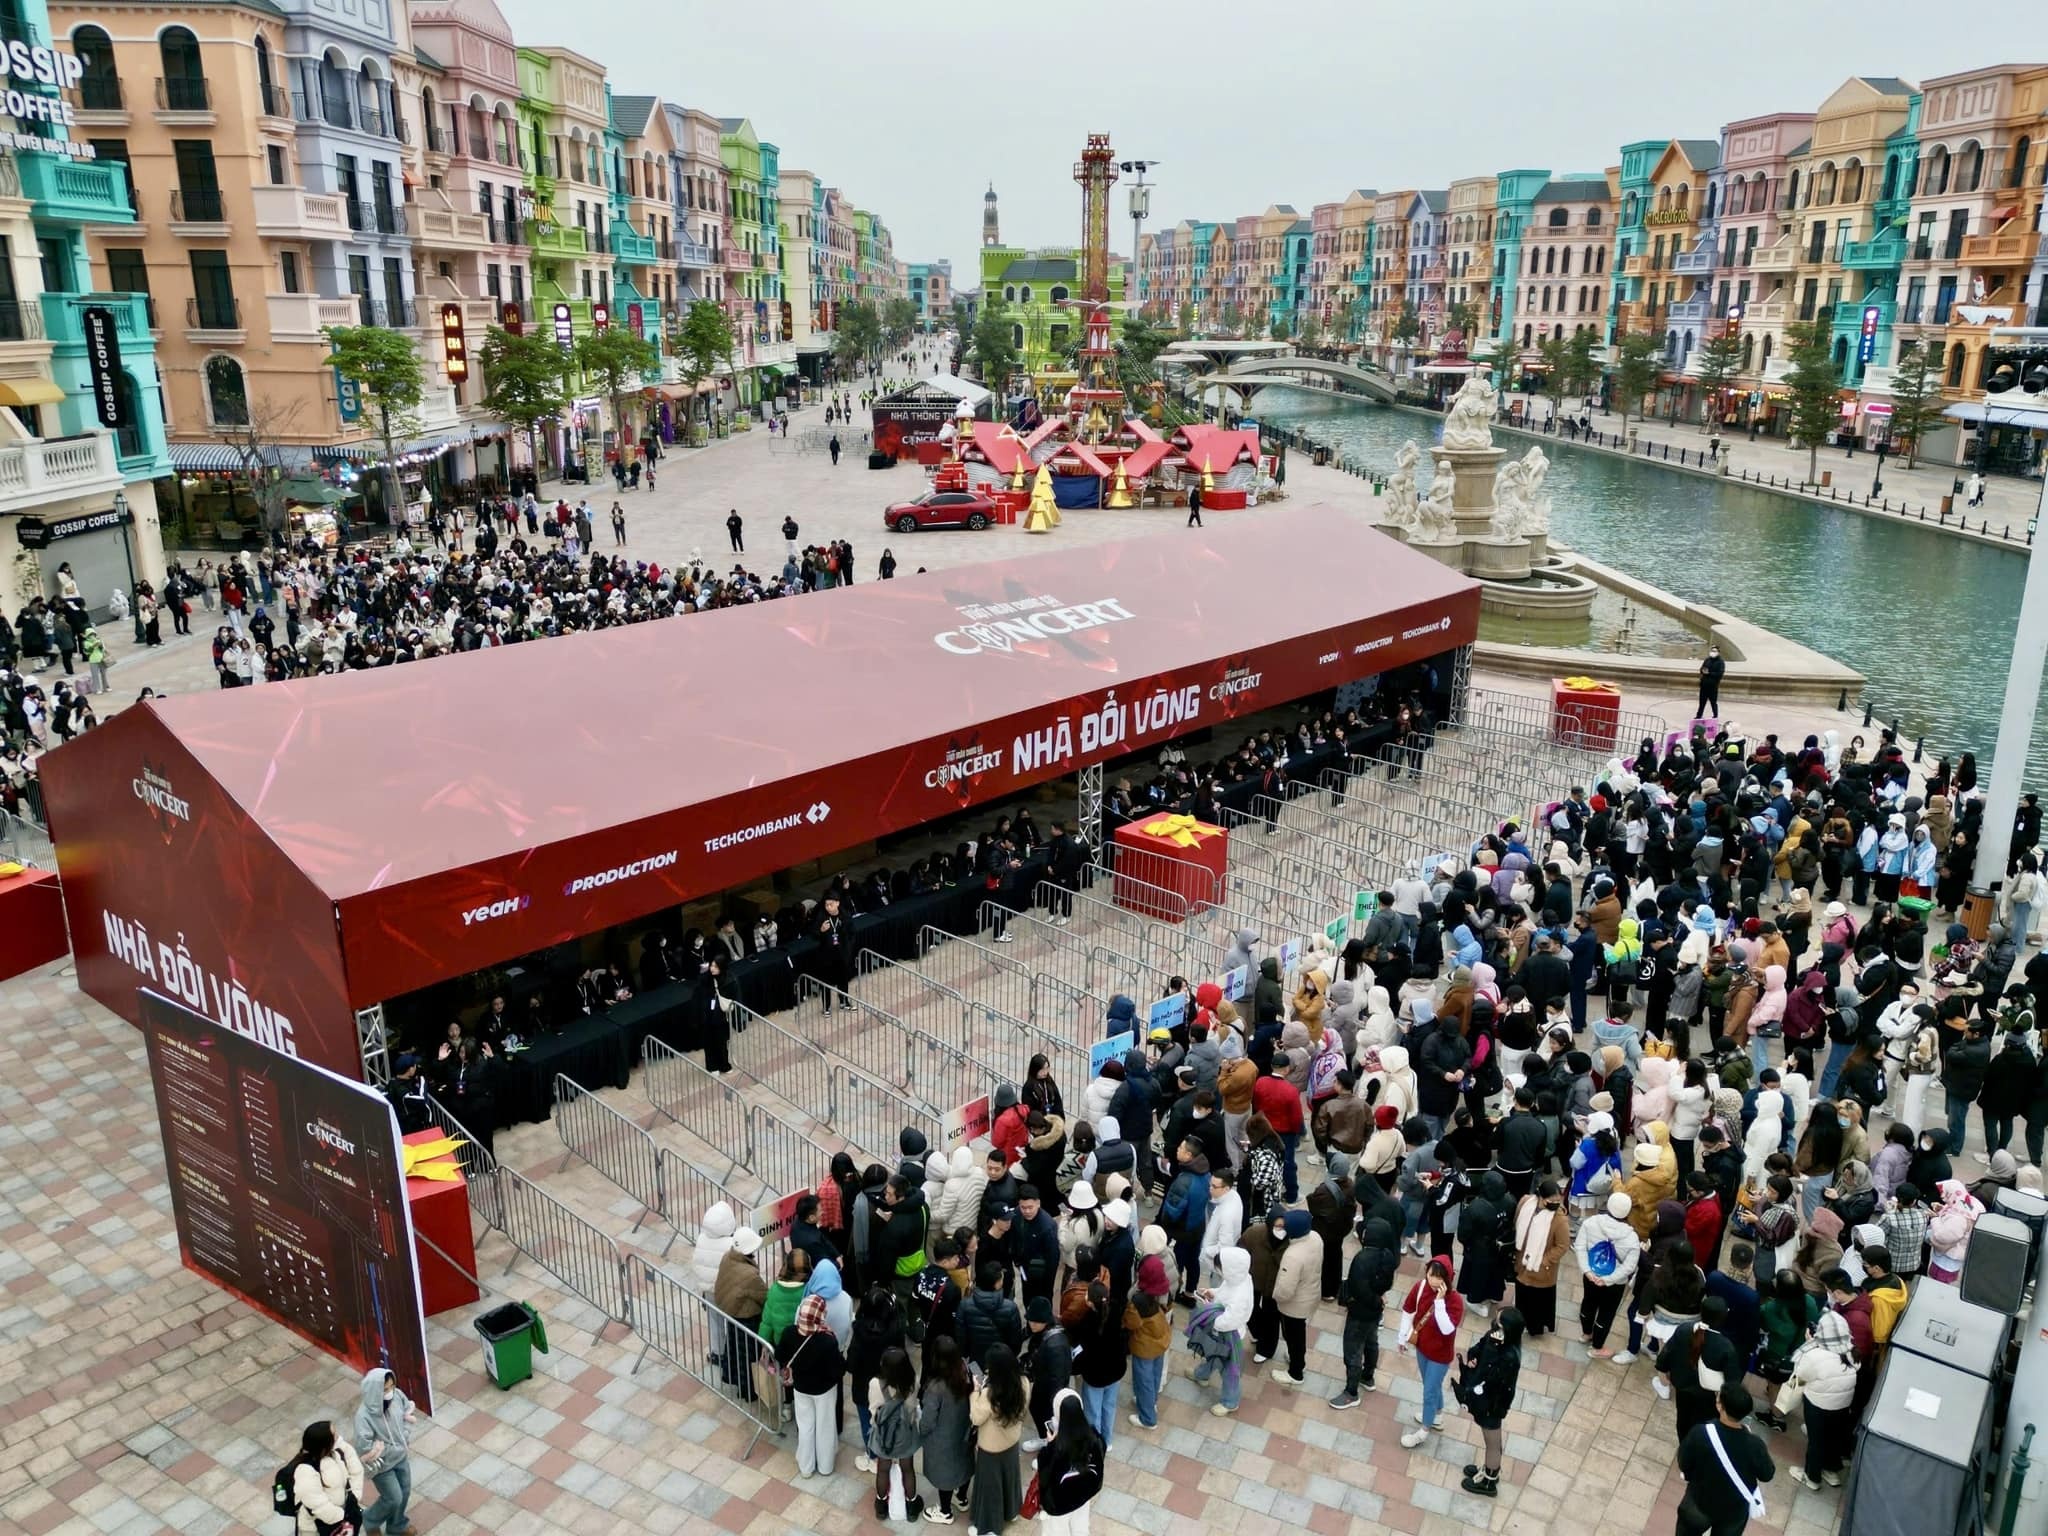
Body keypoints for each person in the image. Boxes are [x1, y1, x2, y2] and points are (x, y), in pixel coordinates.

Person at [1675, 1383, 1775, 1536]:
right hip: (1733, 1512)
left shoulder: (1700, 1433)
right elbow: (1767, 1474)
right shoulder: (1755, 1445)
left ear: (1720, 1406)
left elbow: (1684, 1462)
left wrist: (1691, 1476)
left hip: (1699, 1503)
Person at [1397, 1255, 1465, 1448]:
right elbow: (1408, 1310)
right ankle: (1437, 1415)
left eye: (1439, 1277)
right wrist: (1402, 1337)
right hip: (1422, 1348)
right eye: (1430, 1275)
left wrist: (1440, 1302)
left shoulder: (1455, 1301)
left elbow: (1447, 1329)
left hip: (1440, 1356)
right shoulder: (1420, 1287)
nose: (1433, 1280)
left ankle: (1423, 1431)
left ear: (1447, 1279)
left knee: (1429, 1392)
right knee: (1430, 1384)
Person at [1455, 1308, 1524, 1499]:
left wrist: (1490, 1352)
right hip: (1483, 1397)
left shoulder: (1509, 1355)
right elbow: (1478, 1349)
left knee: (1492, 1441)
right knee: (1490, 1440)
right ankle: (1488, 1469)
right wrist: (1474, 1358)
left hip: (1492, 1404)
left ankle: (1489, 1481)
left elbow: (1495, 1379)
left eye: (1499, 1321)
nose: (1495, 1323)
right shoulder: (1495, 1337)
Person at [779, 1294, 846, 1481]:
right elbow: (838, 1369)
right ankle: (825, 1466)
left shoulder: (789, 1333)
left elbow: (780, 1355)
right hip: (824, 1390)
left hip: (800, 1388)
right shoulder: (827, 1340)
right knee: (825, 1426)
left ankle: (806, 1467)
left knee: (805, 1426)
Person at [968, 1342, 1030, 1534]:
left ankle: (990, 1527)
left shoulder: (990, 1394)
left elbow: (976, 1418)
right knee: (1009, 1478)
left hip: (991, 1446)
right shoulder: (1023, 1382)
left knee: (991, 1488)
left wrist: (975, 1392)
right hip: (1011, 1440)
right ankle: (1011, 1510)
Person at [1576, 1190, 1643, 1356]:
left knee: (1588, 1303)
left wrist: (1587, 1271)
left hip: (1591, 1275)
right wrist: (1609, 1279)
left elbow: (1579, 1247)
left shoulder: (1590, 1223)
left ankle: (1586, 1334)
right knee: (1606, 1313)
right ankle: (1597, 1348)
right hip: (1614, 1284)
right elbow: (1629, 1267)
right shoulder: (1631, 1238)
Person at [918, 1332, 975, 1523]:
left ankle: (944, 1511)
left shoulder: (936, 1387)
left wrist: (921, 1430)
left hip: (942, 1439)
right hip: (964, 1430)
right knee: (964, 1465)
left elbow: (927, 1421)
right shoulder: (965, 1371)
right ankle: (962, 1498)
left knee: (946, 1473)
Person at [1036, 1387, 1106, 1535]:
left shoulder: (1056, 1448)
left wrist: (1049, 1446)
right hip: (1083, 1495)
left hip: (1059, 1505)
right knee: (1081, 1528)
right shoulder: (1093, 1436)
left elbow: (1044, 1476)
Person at [867, 1344, 923, 1518]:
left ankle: (881, 1505)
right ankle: (912, 1505)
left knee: (883, 1468)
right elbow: (912, 1408)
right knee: (908, 1468)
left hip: (883, 1434)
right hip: (906, 1432)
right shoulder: (913, 1382)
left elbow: (874, 1409)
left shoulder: (876, 1384)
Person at [1512, 1178, 1572, 1337]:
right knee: (1522, 1294)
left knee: (1538, 1300)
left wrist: (1543, 1260)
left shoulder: (1559, 1219)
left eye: (1558, 1200)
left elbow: (1562, 1246)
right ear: (1541, 1197)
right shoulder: (1526, 1203)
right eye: (1551, 1200)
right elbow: (1516, 1222)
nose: (1555, 1203)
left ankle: (1535, 1327)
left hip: (1541, 1268)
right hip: (1522, 1261)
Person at [288, 1420, 366, 1536]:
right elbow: (318, 1505)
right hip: (317, 1527)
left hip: (345, 1517)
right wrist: (343, 1515)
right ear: (324, 1443)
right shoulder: (305, 1471)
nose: (338, 1436)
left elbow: (356, 1471)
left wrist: (354, 1497)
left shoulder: (340, 1448)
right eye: (334, 1434)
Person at [1696, 646, 1725, 721]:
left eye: (1715, 651)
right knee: (1702, 702)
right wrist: (1703, 671)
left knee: (1713, 702)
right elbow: (1701, 669)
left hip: (1713, 686)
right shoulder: (1707, 660)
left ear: (1718, 652)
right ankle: (1698, 715)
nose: (1713, 652)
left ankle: (1715, 716)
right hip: (1704, 685)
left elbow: (1720, 674)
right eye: (1712, 651)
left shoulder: (1721, 662)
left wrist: (1709, 673)